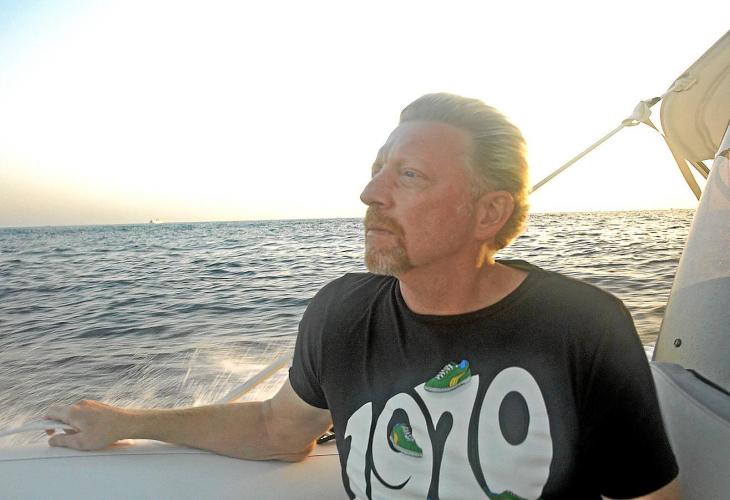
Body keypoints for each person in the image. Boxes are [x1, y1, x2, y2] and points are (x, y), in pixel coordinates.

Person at [46, 93, 680, 499]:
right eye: (379, 169)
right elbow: (276, 429)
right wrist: (128, 423)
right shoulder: (342, 314)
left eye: (409, 175)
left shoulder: (580, 326)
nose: (370, 193)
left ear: (488, 213)